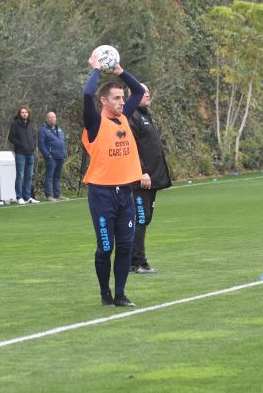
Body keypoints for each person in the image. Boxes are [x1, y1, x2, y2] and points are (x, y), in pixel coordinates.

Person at [82, 50, 145, 307]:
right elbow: (86, 94)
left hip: (125, 194)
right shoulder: (95, 123)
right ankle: (104, 292)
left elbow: (138, 92)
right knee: (105, 248)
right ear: (103, 101)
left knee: (125, 246)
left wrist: (120, 72)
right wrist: (96, 69)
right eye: (117, 98)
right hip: (102, 194)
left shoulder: (124, 118)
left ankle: (120, 294)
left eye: (122, 98)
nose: (122, 102)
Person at [127, 84, 172, 274]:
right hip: (141, 180)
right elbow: (131, 149)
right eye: (142, 91)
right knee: (140, 219)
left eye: (148, 91)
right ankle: (139, 263)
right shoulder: (132, 116)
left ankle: (130, 262)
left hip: (152, 179)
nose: (147, 93)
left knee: (144, 219)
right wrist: (142, 172)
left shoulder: (144, 114)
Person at [8, 106, 39, 204]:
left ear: (28, 114)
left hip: (30, 153)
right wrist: (21, 145)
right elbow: (11, 138)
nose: (24, 114)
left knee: (29, 176)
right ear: (19, 114)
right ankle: (19, 197)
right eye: (22, 112)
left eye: (26, 112)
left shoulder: (30, 124)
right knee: (20, 176)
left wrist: (33, 145)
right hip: (20, 153)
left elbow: (33, 136)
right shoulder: (15, 124)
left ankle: (27, 196)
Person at [38, 111, 68, 202]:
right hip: (51, 157)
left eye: (54, 117)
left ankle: (57, 195)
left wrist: (64, 152)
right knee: (49, 176)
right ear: (47, 119)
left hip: (60, 156)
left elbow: (63, 142)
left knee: (57, 177)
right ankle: (48, 196)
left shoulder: (59, 129)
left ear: (56, 118)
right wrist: (48, 155)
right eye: (50, 117)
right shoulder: (43, 130)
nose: (52, 119)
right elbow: (41, 144)